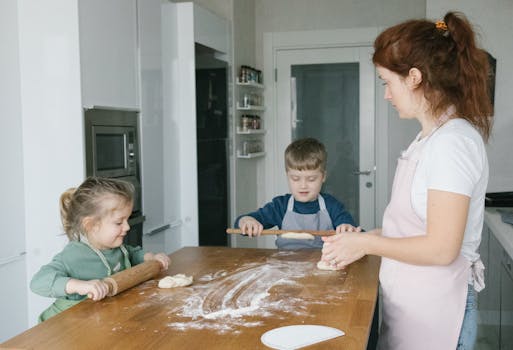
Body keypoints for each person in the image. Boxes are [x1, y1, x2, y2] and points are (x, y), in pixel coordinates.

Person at [321, 12, 493, 350]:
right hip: (415, 305)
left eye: (387, 81)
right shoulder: (428, 139)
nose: (386, 94)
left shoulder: (451, 143)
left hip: (438, 310)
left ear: (413, 77)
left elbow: (442, 248)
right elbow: (415, 228)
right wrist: (363, 239)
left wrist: (367, 246)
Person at [30, 177, 170, 322]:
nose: (127, 227)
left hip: (98, 320)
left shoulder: (114, 247)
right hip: (66, 329)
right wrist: (79, 286)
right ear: (90, 225)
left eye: (127, 220)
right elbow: (38, 282)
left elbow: (131, 254)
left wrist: (150, 258)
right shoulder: (73, 256)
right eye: (118, 222)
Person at [235, 137, 360, 250]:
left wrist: (347, 228)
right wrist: (246, 221)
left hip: (323, 265)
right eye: (295, 179)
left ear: (323, 177)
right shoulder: (280, 206)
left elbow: (351, 229)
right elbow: (243, 224)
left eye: (311, 179)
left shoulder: (332, 206)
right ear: (287, 176)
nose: (303, 185)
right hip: (286, 267)